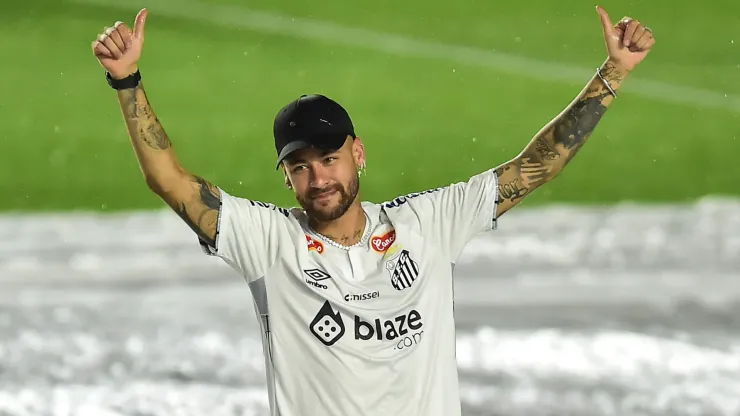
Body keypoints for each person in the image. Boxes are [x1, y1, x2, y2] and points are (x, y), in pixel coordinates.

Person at [91, 6, 654, 416]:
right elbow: (169, 181)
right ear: (285, 176)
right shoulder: (268, 241)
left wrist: (615, 71)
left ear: (357, 153)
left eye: (330, 159)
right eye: (301, 167)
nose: (319, 178)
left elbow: (534, 167)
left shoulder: (428, 224)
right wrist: (127, 79)